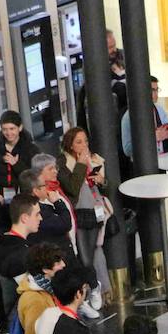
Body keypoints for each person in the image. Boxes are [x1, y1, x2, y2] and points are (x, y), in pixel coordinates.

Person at [59, 127, 109, 311]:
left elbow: (105, 185)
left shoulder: (94, 159)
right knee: (84, 257)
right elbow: (72, 187)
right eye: (79, 142)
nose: (84, 145)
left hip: (95, 211)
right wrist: (80, 164)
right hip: (77, 212)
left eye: (86, 141)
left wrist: (101, 180)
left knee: (90, 253)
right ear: (70, 144)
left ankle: (90, 290)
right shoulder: (64, 161)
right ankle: (93, 287)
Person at [0, 196, 42, 317]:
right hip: (17, 320)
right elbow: (31, 291)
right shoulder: (20, 254)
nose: (41, 218)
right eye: (37, 214)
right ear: (24, 218)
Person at [0, 110, 41, 198]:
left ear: (20, 128)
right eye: (5, 129)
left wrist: (16, 164)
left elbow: (36, 176)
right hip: (0, 199)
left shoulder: (31, 149)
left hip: (25, 199)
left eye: (12, 129)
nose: (8, 133)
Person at [21, 161, 76, 255]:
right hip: (54, 259)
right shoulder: (38, 211)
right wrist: (57, 202)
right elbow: (66, 224)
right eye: (44, 185)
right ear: (36, 191)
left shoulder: (38, 206)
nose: (47, 188)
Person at [122, 75, 168, 161]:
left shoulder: (160, 110)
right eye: (152, 90)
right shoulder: (129, 117)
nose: (156, 94)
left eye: (157, 90)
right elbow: (127, 150)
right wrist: (152, 138)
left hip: (163, 160)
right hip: (142, 164)